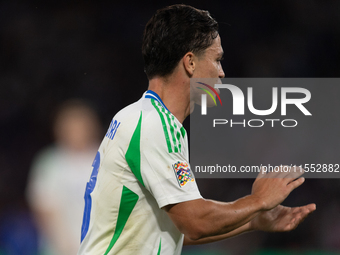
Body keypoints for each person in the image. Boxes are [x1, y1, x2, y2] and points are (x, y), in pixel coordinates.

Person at [77, 4, 316, 255]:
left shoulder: (140, 117)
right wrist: (258, 201)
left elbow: (173, 229)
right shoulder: (154, 125)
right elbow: (194, 222)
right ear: (190, 62)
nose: (222, 73)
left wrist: (253, 220)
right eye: (217, 59)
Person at [27, 100, 101, 255]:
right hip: (60, 248)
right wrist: (64, 244)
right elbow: (43, 207)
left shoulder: (106, 157)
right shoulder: (50, 163)